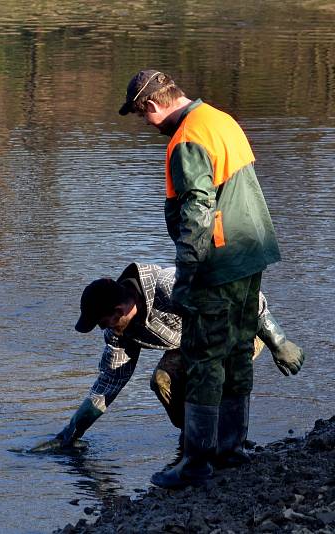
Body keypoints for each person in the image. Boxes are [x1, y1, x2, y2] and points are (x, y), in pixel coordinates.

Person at [116, 70, 283, 489]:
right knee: (239, 349)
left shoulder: (186, 139)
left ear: (152, 105)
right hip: (252, 252)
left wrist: (188, 274)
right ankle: (232, 448)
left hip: (217, 263)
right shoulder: (219, 119)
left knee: (204, 358)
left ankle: (196, 464)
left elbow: (197, 210)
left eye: (142, 116)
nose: (146, 124)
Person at [29, 263, 304, 456]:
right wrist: (70, 434)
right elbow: (108, 383)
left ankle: (229, 444)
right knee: (162, 380)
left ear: (119, 310)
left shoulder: (168, 285)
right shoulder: (120, 332)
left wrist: (278, 340)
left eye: (104, 323)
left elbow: (238, 294)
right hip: (194, 343)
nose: (105, 329)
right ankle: (196, 440)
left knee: (208, 377)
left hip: (239, 327)